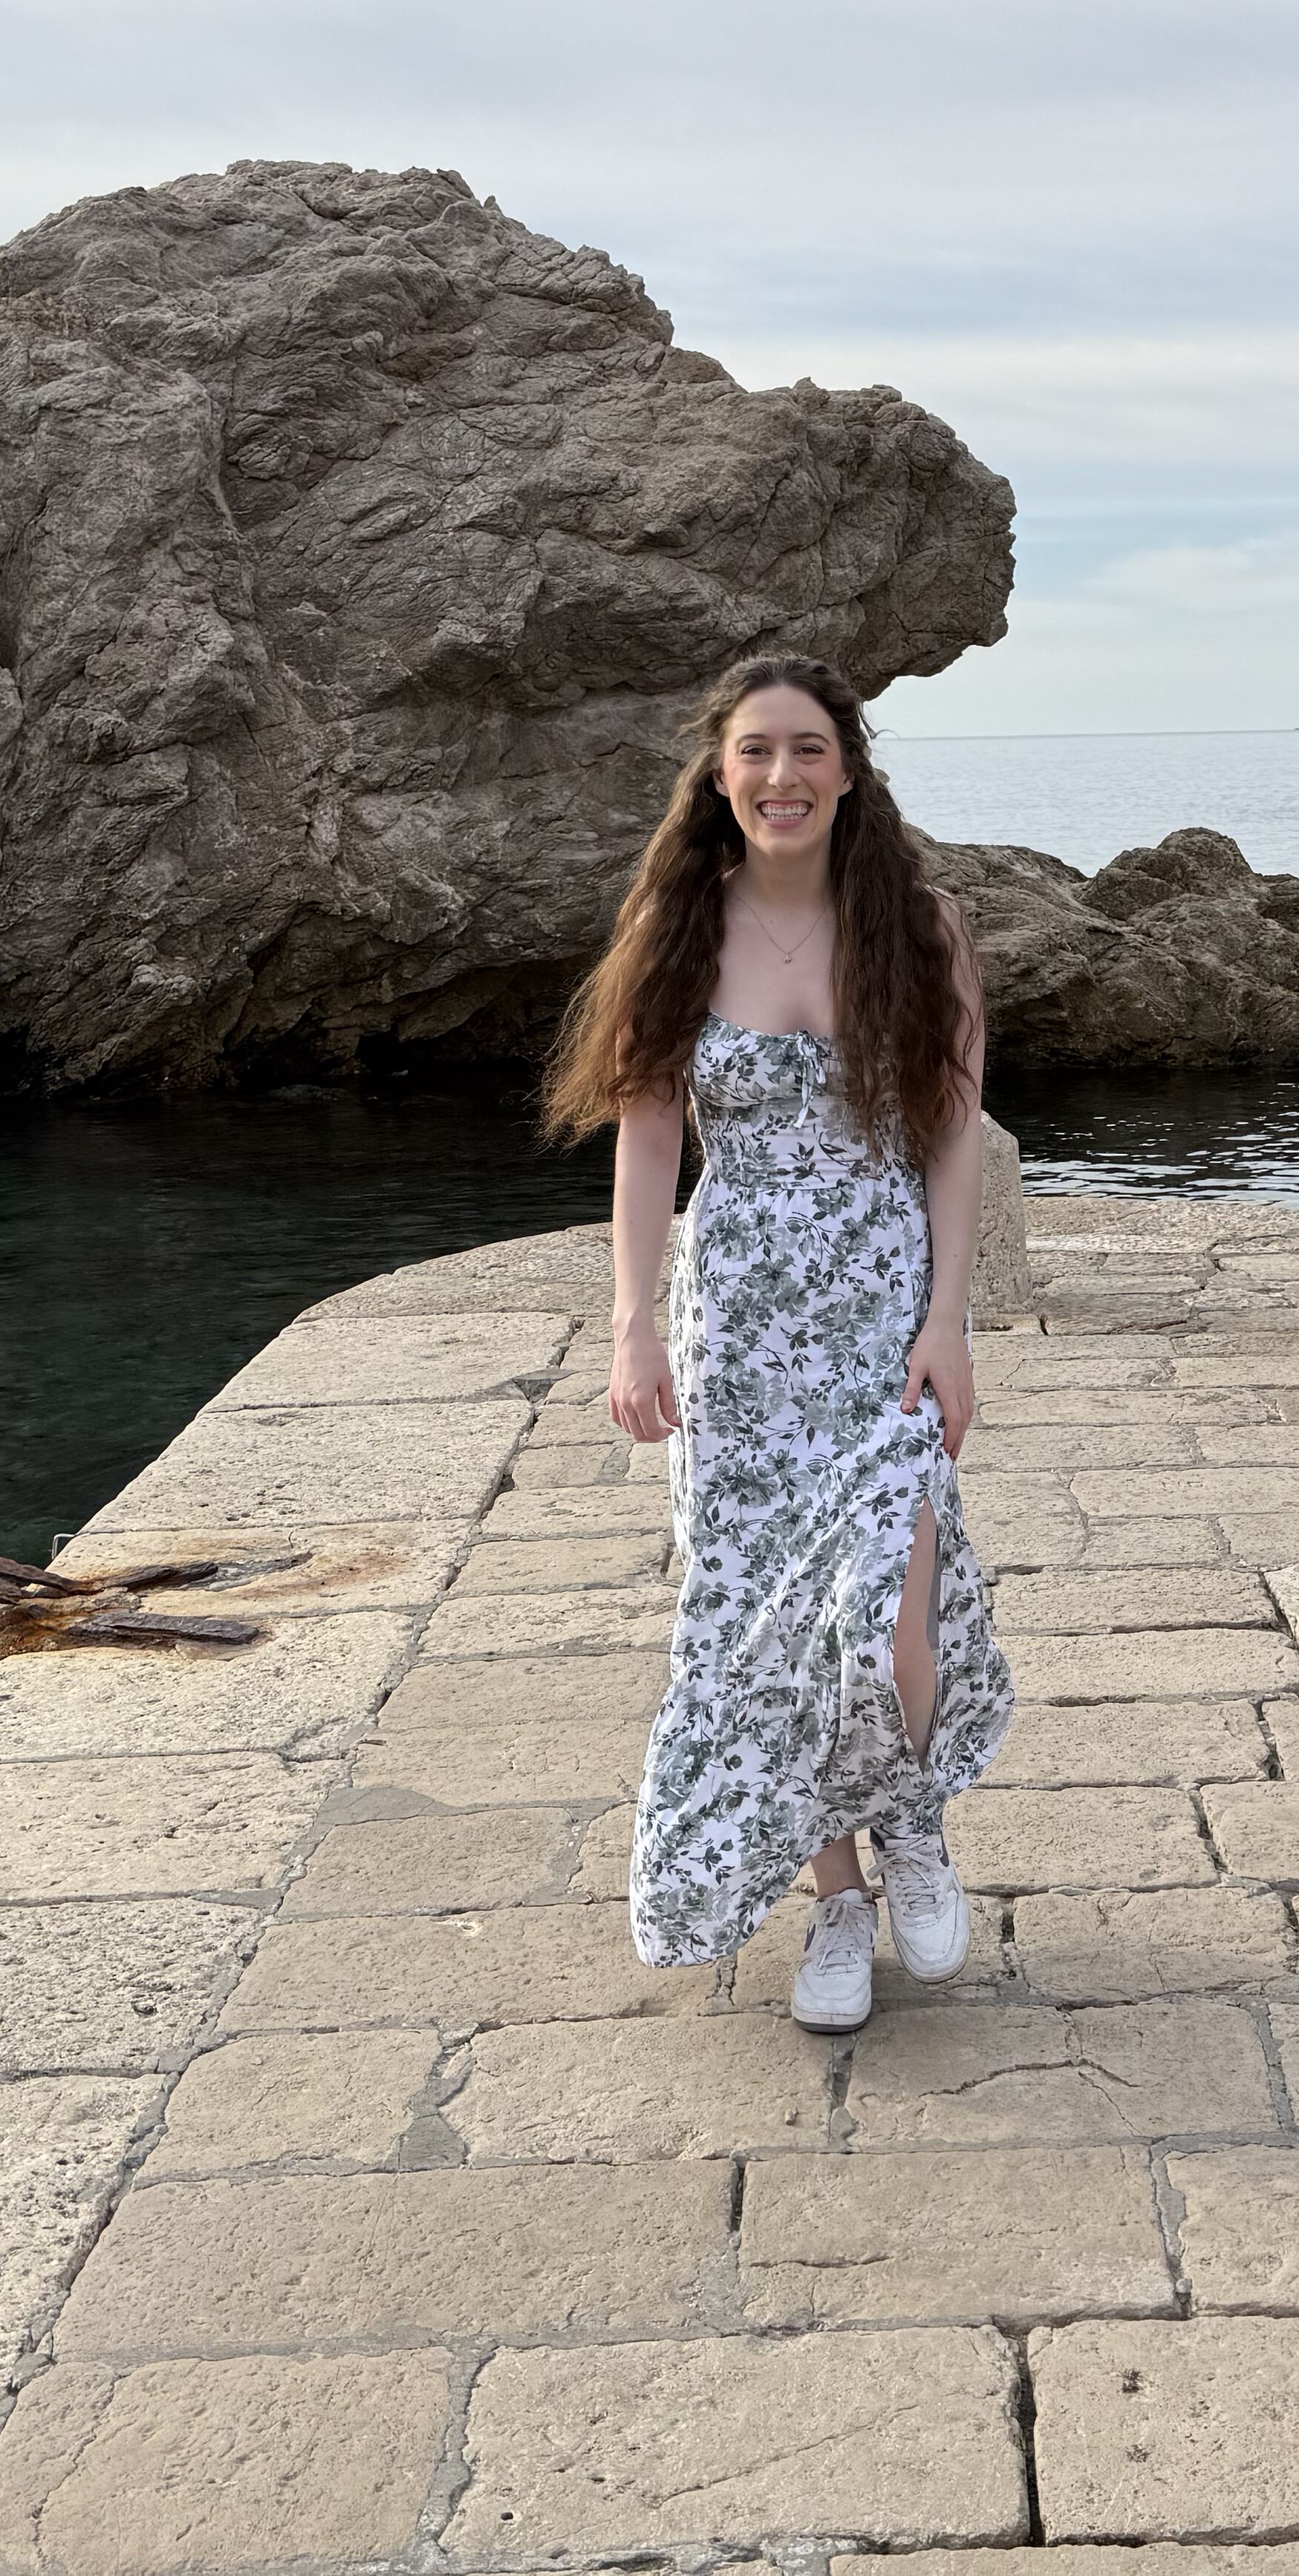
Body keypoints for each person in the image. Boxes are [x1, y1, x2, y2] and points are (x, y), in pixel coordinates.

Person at [541, 652, 1014, 2032]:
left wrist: (948, 1323)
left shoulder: (921, 928)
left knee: (898, 1606)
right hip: (741, 1321)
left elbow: (951, 1139)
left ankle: (911, 1819)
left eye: (808, 749)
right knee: (772, 1630)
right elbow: (642, 1142)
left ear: (849, 770)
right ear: (722, 772)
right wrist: (634, 1328)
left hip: (880, 1309)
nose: (781, 776)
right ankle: (837, 1902)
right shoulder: (682, 923)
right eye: (756, 751)